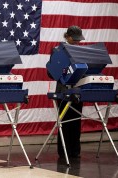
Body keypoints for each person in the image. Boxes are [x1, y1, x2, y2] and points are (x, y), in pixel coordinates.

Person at [48, 25, 85, 159]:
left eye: (78, 40)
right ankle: (64, 152)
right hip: (63, 90)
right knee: (65, 122)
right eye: (74, 39)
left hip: (78, 88)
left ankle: (75, 151)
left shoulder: (81, 51)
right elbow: (50, 72)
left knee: (76, 121)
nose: (77, 42)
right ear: (67, 36)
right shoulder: (57, 50)